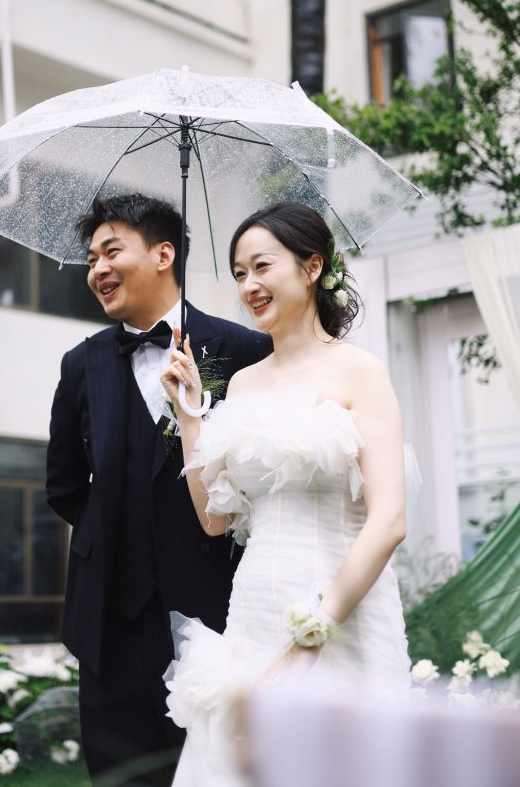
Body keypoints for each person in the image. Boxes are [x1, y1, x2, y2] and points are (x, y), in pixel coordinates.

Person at [161, 201, 411, 786]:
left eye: (261, 266)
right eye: (238, 273)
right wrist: (191, 415)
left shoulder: (360, 371)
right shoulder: (243, 383)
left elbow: (389, 521)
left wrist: (313, 635)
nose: (248, 285)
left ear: (312, 266)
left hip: (340, 609)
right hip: (254, 610)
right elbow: (214, 521)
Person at [46, 193, 270, 786]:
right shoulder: (80, 364)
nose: (97, 269)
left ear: (164, 254)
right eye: (91, 259)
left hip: (213, 613)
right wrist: (114, 533)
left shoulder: (244, 351)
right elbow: (63, 486)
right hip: (108, 622)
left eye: (111, 252)